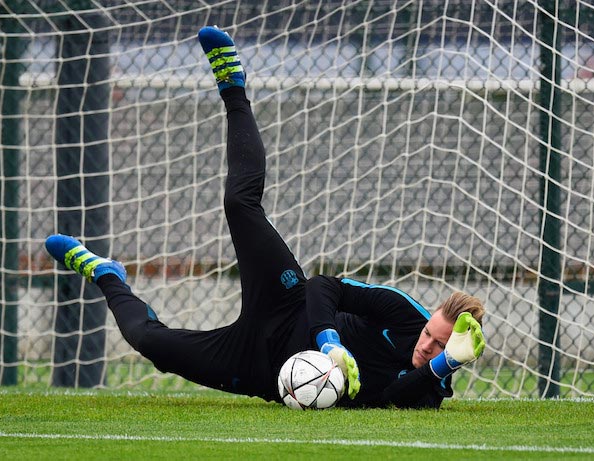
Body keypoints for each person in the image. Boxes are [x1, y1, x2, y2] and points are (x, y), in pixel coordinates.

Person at [45, 26, 486, 409]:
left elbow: (394, 399)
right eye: (431, 334)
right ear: (426, 317)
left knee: (151, 343)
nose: (427, 345)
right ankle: (233, 86)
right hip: (286, 305)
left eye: (441, 347)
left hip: (258, 368)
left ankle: (105, 275)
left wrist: (445, 365)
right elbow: (322, 287)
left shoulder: (433, 385)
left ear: (457, 354)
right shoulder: (404, 313)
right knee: (240, 205)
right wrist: (329, 342)